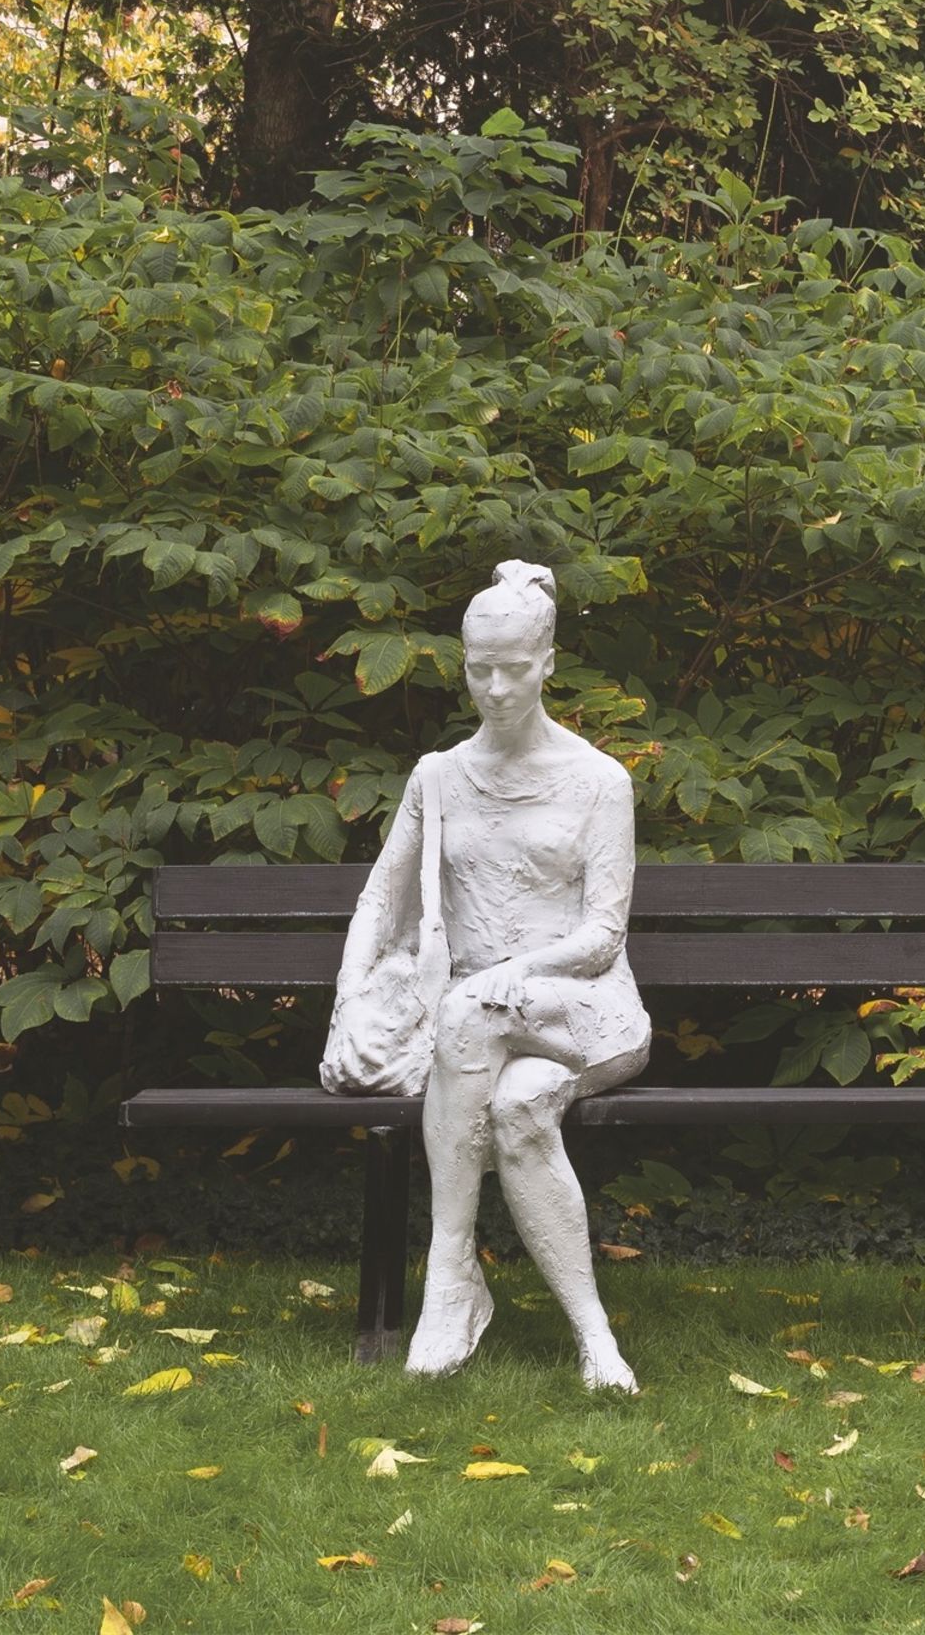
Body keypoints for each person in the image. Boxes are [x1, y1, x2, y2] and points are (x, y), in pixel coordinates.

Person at [325, 561, 650, 1391]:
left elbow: (603, 937)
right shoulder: (438, 777)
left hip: (585, 1009)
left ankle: (449, 1273)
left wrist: (515, 970)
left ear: (548, 663)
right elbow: (379, 901)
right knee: (518, 1108)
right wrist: (345, 1007)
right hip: (481, 1041)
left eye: (513, 668)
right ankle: (596, 1339)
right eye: (479, 669)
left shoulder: (599, 781)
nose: (496, 688)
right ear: (462, 662)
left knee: (470, 1011)